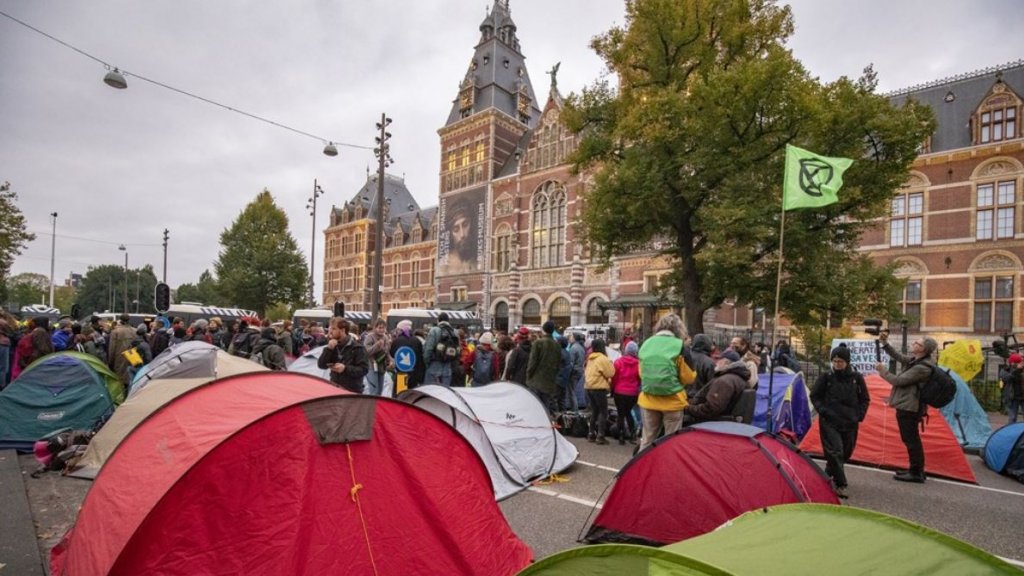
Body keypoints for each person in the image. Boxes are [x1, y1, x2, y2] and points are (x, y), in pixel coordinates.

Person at [876, 333, 937, 483]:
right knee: (910, 439)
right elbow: (898, 356)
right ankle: (915, 469)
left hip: (910, 407)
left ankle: (916, 472)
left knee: (911, 440)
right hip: (907, 405)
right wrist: (884, 343)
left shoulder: (923, 367)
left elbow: (898, 381)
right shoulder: (916, 361)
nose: (914, 343)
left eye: (918, 343)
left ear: (923, 349)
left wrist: (882, 370)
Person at [810, 345, 870, 498]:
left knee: (845, 452)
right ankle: (841, 483)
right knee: (835, 451)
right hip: (830, 420)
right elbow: (815, 396)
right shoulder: (826, 377)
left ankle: (826, 475)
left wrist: (859, 415)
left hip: (850, 421)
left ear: (847, 362)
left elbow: (865, 399)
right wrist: (823, 411)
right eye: (834, 361)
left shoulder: (857, 378)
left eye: (840, 361)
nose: (837, 364)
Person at [637, 314, 694, 452]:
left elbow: (641, 373)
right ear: (679, 329)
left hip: (648, 400)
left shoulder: (646, 343)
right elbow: (689, 377)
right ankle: (666, 471)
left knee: (647, 441)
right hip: (673, 401)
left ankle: (640, 470)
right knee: (671, 443)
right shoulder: (680, 346)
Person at [683, 349, 748, 424]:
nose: (716, 362)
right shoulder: (736, 378)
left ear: (726, 362)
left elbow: (710, 409)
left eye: (719, 359)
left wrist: (686, 408)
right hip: (721, 420)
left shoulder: (724, 381)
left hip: (711, 423)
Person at [317, 317, 369, 393]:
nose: (330, 332)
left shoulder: (357, 347)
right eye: (330, 329)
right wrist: (328, 349)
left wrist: (345, 369)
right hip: (334, 389)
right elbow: (321, 365)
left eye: (334, 329)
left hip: (352, 391)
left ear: (342, 330)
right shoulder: (332, 345)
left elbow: (364, 370)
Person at [527, 321, 562, 415]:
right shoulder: (557, 345)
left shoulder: (538, 343)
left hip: (536, 380)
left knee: (535, 406)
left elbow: (532, 362)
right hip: (549, 381)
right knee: (545, 406)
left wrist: (529, 375)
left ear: (543, 329)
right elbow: (558, 364)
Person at [584, 339, 615, 444]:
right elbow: (610, 373)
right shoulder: (602, 358)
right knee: (603, 411)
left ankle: (591, 433)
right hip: (599, 387)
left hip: (589, 387)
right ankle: (600, 435)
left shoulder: (590, 358)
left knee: (594, 411)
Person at [423, 312, 462, 386]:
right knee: (443, 394)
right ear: (448, 321)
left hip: (433, 367)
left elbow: (428, 350)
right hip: (447, 369)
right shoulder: (454, 332)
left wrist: (427, 364)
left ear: (438, 320)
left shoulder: (434, 330)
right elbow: (458, 350)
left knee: (430, 393)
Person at [443, 197, 477, 274]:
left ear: (472, 224)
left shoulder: (481, 260)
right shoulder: (443, 266)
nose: (462, 235)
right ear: (450, 234)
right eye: (456, 229)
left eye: (465, 225)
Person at [389, 319, 425, 392]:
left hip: (401, 374)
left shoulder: (397, 341)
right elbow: (420, 358)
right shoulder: (417, 340)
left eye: (398, 329)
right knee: (411, 396)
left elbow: (392, 354)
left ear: (401, 330)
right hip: (413, 374)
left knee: (401, 395)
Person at [362, 318, 392, 395]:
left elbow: (387, 352)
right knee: (374, 390)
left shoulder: (385, 337)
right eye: (379, 328)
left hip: (382, 366)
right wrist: (377, 345)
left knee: (380, 390)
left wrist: (391, 360)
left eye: (383, 328)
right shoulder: (369, 337)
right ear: (375, 328)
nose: (381, 330)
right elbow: (366, 352)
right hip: (372, 366)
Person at [107, 314, 137, 388]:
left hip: (119, 359)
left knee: (120, 382)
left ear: (120, 320)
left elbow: (112, 349)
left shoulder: (115, 332)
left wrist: (110, 363)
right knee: (131, 379)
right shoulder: (135, 331)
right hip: (132, 358)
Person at [1000, 353, 1023, 424]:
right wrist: (1017, 370)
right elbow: (1007, 378)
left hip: (1022, 397)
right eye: (1015, 362)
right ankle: (1011, 432)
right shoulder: (1005, 370)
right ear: (1011, 362)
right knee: (1012, 418)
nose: (1017, 364)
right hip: (1012, 398)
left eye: (1018, 362)